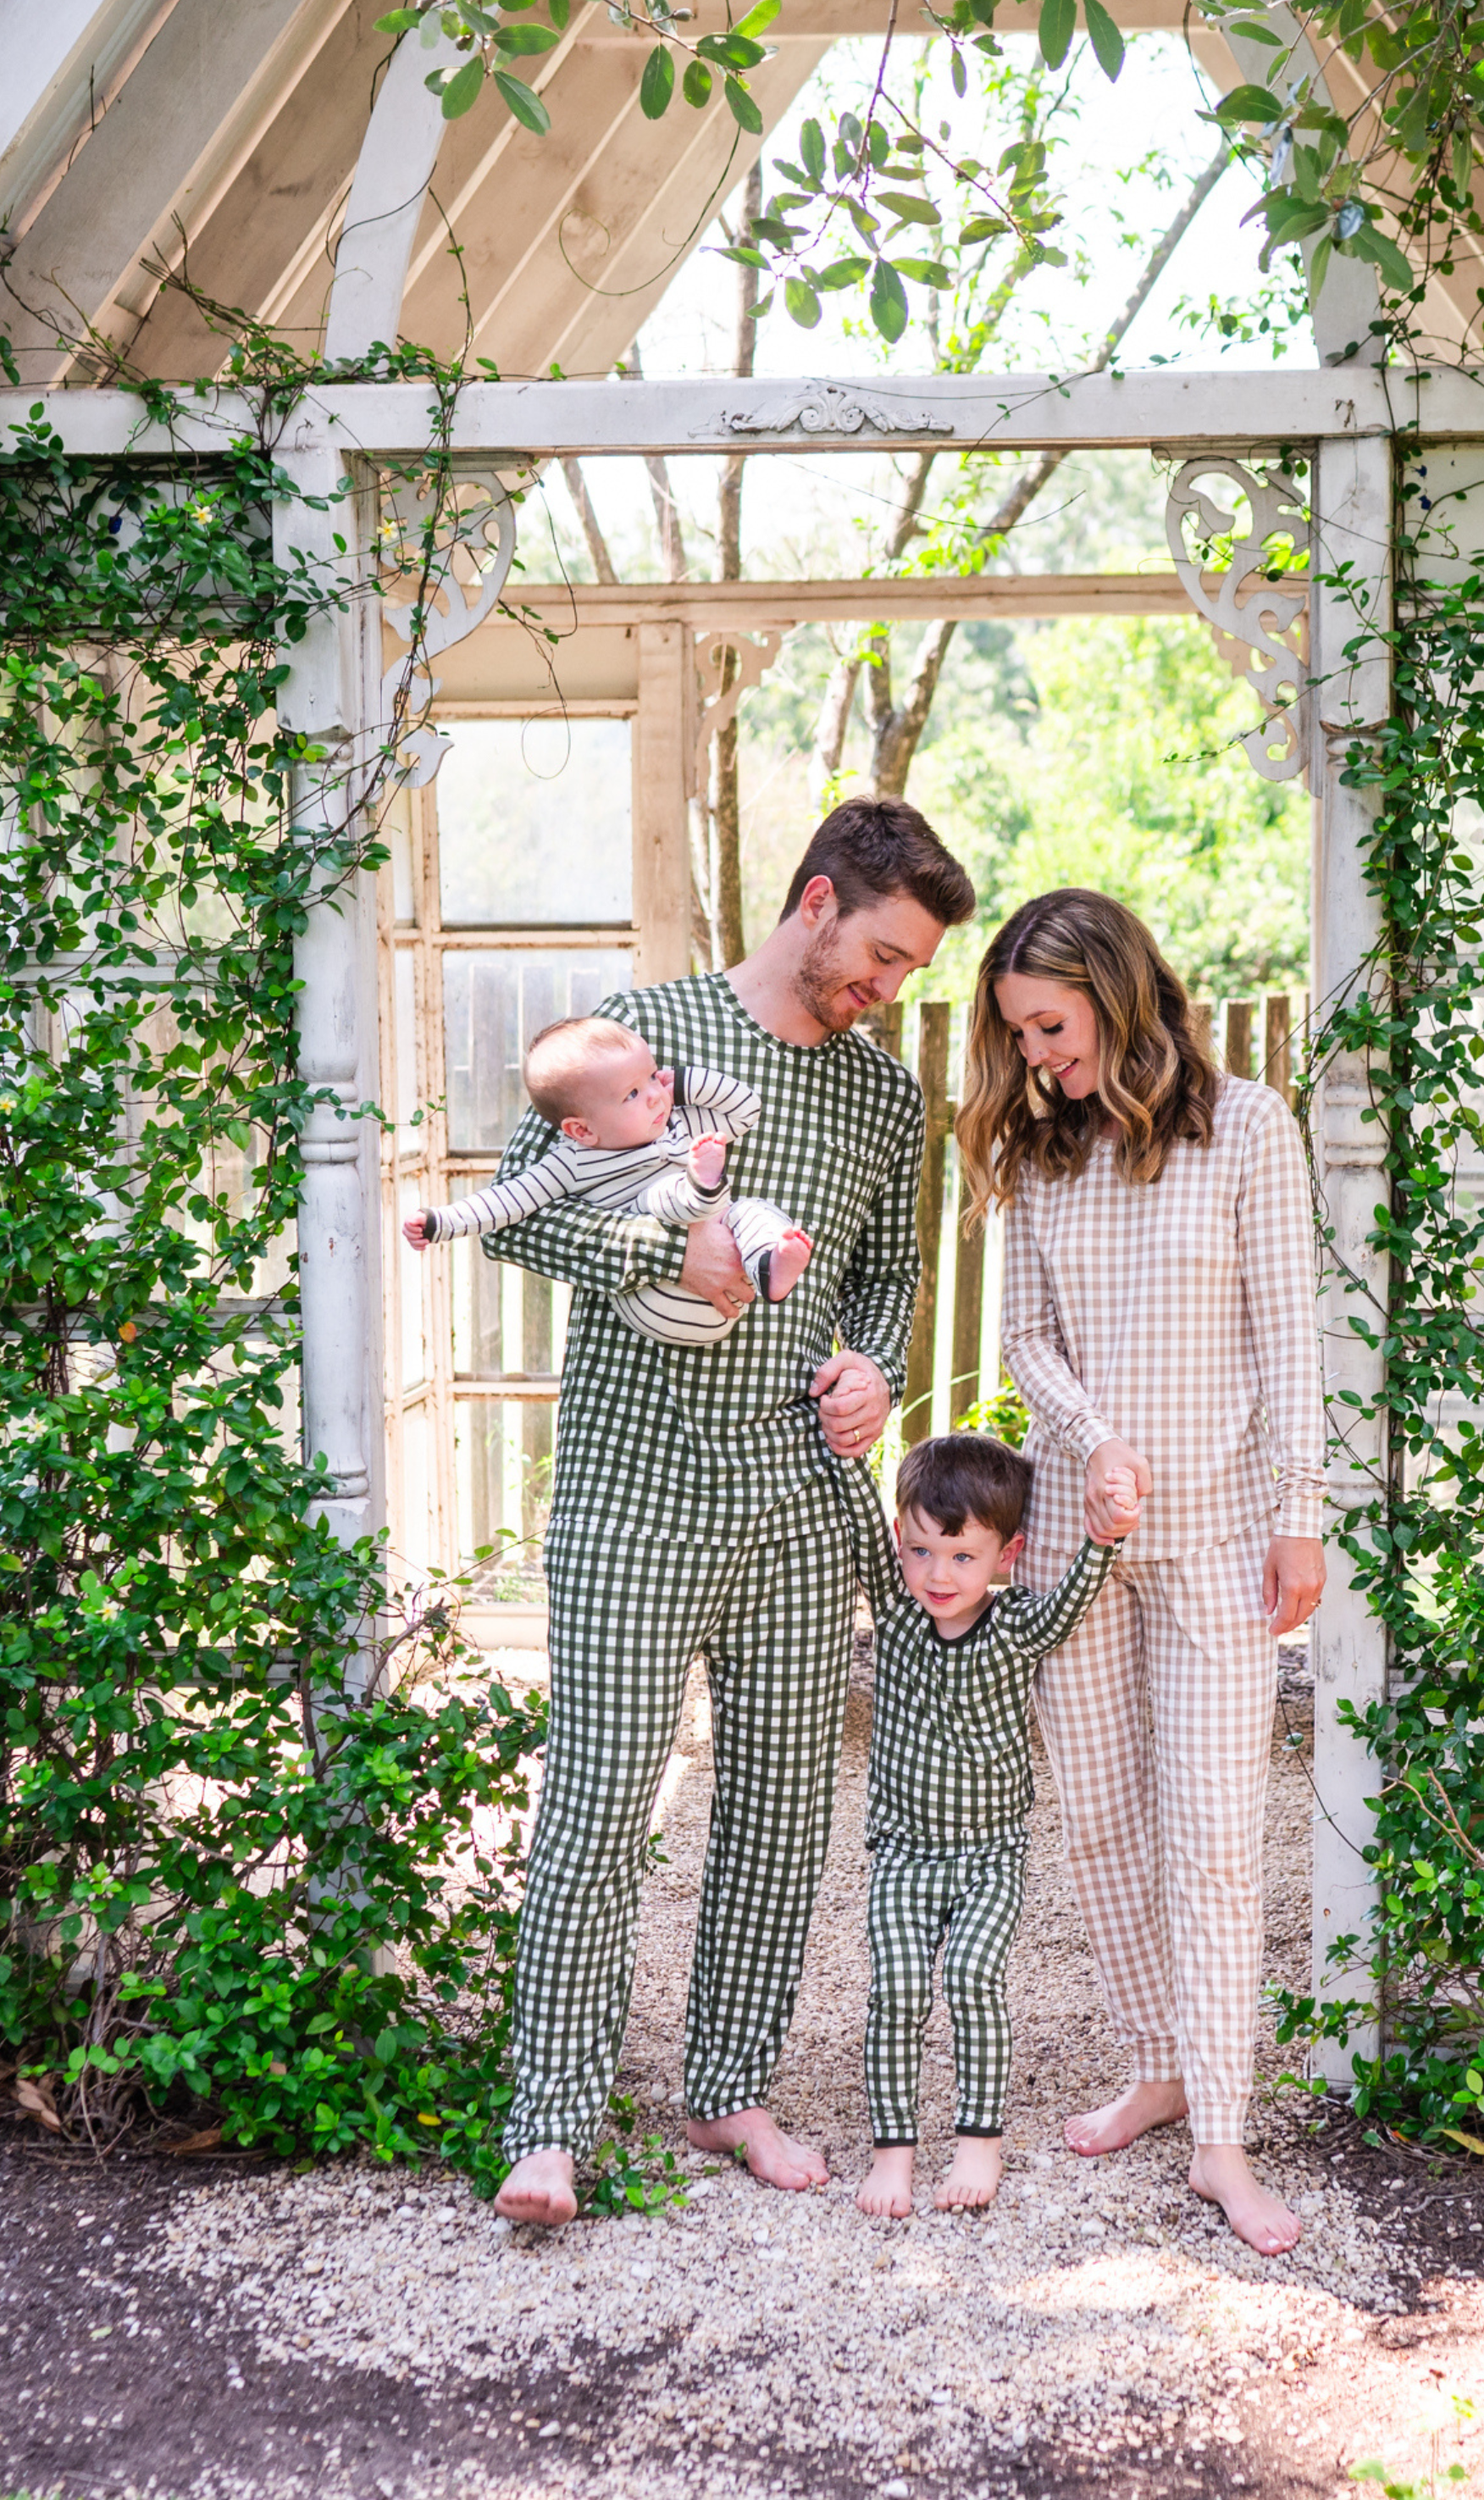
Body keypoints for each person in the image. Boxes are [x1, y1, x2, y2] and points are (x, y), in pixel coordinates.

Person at [482, 797, 977, 2229]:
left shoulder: (888, 1097)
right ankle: (551, 2128)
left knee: (779, 1811)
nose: (889, 988)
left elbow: (891, 1274)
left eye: (909, 973)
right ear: (817, 901)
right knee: (595, 1805)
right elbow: (519, 1207)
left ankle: (728, 2087)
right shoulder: (649, 1031)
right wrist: (666, 1240)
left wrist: (874, 1371)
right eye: (880, 954)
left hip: (802, 1506)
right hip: (636, 1492)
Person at [957, 887, 1328, 2259]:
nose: (1038, 1056)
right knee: (1105, 1827)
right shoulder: (1042, 1158)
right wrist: (1093, 1439)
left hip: (1225, 1544)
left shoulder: (1250, 1134)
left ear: (1115, 994)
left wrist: (1305, 1512)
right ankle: (1157, 2062)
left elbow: (1294, 1341)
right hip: (1077, 1543)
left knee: (1218, 1846)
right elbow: (1023, 1342)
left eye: (1049, 1026)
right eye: (1020, 1034)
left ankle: (1223, 2140)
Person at [842, 1433, 1133, 2221]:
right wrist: (847, 1439)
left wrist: (1105, 1535)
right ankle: (892, 2150)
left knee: (973, 1979)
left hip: (990, 1855)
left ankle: (979, 2140)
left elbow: (1076, 1593)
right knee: (896, 1988)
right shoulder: (900, 1617)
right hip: (902, 1851)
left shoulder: (1015, 1627)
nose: (939, 1575)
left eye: (963, 1556)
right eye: (921, 1551)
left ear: (1009, 1555)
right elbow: (866, 1522)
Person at [403, 1017, 813, 1342]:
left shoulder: (675, 1121)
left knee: (752, 1212)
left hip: (726, 1299)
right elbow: (507, 1201)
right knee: (655, 1200)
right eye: (632, 1094)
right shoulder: (573, 1161)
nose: (654, 1094)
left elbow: (746, 1110)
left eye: (652, 1076)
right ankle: (701, 1186)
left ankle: (768, 1264)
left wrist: (683, 1084)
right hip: (655, 1298)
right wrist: (440, 1222)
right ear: (582, 1130)